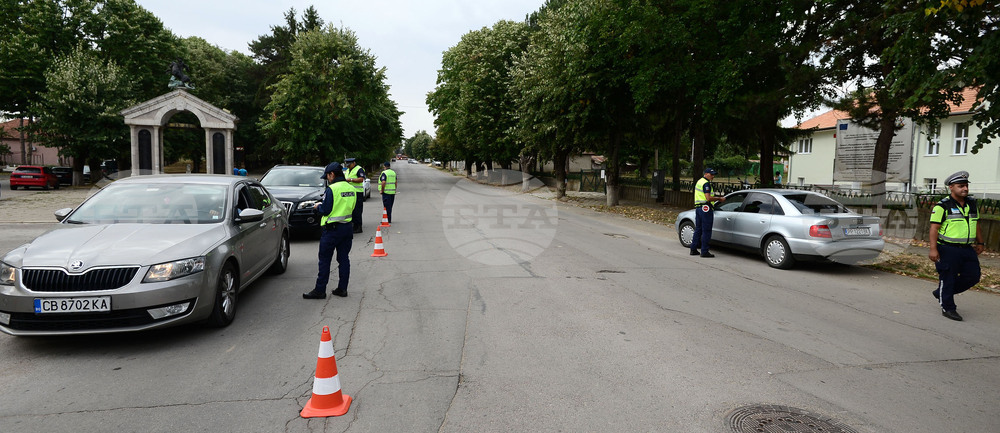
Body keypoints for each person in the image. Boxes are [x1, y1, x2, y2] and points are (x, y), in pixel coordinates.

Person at [928, 170, 983, 321]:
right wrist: (933, 249)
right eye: (961, 186)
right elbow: (934, 228)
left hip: (967, 249)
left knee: (973, 276)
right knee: (948, 278)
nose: (965, 189)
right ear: (951, 187)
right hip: (947, 249)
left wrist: (980, 242)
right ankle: (948, 308)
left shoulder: (972, 203)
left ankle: (942, 292)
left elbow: (976, 223)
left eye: (966, 186)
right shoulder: (942, 206)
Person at [303, 162, 357, 299]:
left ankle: (320, 290)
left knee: (325, 260)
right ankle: (342, 289)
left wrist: (317, 207)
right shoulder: (351, 189)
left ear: (332, 174)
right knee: (344, 259)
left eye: (327, 176)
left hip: (332, 231)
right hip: (347, 228)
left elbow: (326, 210)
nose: (327, 179)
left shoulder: (332, 189)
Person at [690, 168, 725, 258]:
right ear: (706, 174)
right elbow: (708, 198)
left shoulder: (699, 181)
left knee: (698, 229)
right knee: (707, 230)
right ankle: (704, 251)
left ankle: (693, 249)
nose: (713, 176)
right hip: (706, 208)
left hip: (698, 208)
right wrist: (719, 198)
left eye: (714, 175)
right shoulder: (706, 183)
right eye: (711, 174)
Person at [345, 157, 365, 234]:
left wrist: (351, 180)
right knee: (351, 210)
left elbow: (361, 179)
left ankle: (358, 227)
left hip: (357, 192)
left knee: (357, 210)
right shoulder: (347, 170)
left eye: (349, 164)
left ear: (353, 163)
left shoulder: (359, 169)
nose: (348, 166)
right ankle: (353, 226)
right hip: (349, 193)